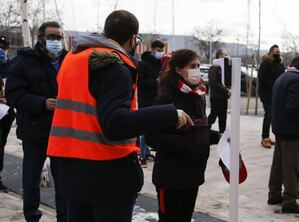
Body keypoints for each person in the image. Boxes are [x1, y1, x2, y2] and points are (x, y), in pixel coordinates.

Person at [46, 10, 193, 222]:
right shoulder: (113, 66)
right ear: (133, 38)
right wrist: (170, 113)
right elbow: (115, 123)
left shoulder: (73, 59)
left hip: (69, 168)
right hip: (106, 173)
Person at [145, 49, 219, 222]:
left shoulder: (198, 95)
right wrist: (184, 144)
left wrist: (218, 137)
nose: (197, 70)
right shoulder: (166, 97)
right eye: (192, 66)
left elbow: (199, 129)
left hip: (193, 175)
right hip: (171, 177)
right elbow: (151, 136)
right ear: (178, 69)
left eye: (199, 66)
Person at [6, 22, 67, 222]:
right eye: (52, 37)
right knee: (31, 179)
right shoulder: (24, 62)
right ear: (40, 38)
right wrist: (42, 103)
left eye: (59, 37)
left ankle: (64, 217)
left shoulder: (68, 60)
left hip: (62, 131)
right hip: (34, 130)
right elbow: (14, 95)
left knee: (64, 180)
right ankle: (32, 217)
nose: (56, 41)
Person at [268, 56, 299, 214]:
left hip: (280, 129)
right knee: (292, 166)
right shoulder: (297, 80)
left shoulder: (282, 77)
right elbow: (294, 106)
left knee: (278, 164)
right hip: (291, 131)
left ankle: (274, 194)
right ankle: (290, 201)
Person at [137, 40, 165, 167]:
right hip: (146, 99)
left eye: (161, 50)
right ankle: (141, 155)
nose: (160, 53)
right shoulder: (143, 64)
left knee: (152, 127)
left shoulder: (159, 63)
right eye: (158, 50)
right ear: (152, 49)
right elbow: (140, 83)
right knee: (145, 128)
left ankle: (147, 152)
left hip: (157, 99)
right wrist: (155, 82)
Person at [258, 44, 285, 149]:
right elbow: (262, 78)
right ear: (270, 52)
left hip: (277, 94)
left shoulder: (280, 64)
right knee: (268, 115)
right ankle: (264, 138)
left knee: (273, 116)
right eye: (276, 51)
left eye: (279, 51)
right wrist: (276, 83)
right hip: (267, 94)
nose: (278, 53)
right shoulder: (266, 63)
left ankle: (268, 137)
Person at [0, 36, 16, 193]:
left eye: (3, 48)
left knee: (1, 144)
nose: (1, 51)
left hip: (5, 111)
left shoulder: (10, 66)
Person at [208, 49, 231, 133]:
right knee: (213, 117)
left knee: (223, 118)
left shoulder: (223, 68)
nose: (227, 56)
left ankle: (222, 136)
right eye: (224, 54)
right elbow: (214, 83)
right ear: (219, 56)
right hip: (216, 97)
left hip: (223, 97)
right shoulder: (214, 68)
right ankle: (204, 132)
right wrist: (226, 90)